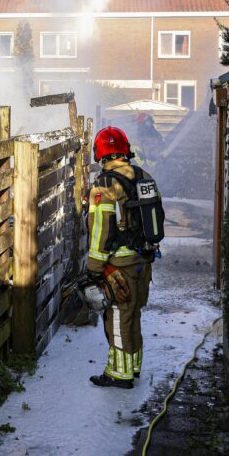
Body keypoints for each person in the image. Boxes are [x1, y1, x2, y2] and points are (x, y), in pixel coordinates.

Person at [85, 126, 158, 389]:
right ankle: (133, 366)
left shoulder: (105, 185)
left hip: (118, 264)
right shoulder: (144, 176)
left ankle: (120, 374)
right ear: (125, 151)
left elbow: (100, 230)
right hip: (143, 261)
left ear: (101, 154)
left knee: (117, 316)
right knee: (133, 314)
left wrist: (94, 266)